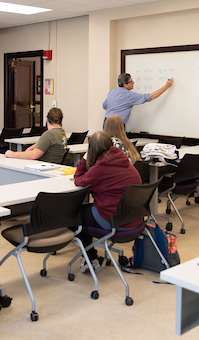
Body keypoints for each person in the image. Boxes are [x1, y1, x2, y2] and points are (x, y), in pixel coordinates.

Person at [74, 131, 142, 272]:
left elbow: (79, 180)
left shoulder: (100, 168)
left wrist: (85, 159)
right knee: (88, 211)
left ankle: (90, 259)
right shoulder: (124, 161)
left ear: (91, 149)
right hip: (135, 219)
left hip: (115, 221)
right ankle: (90, 256)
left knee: (76, 215)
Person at [102, 73, 173, 126]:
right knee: (117, 144)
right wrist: (166, 87)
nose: (133, 82)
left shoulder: (112, 92)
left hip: (106, 122)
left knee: (108, 144)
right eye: (131, 81)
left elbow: (104, 106)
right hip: (116, 125)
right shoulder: (129, 95)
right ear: (125, 85)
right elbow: (150, 97)